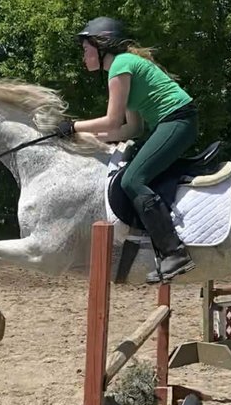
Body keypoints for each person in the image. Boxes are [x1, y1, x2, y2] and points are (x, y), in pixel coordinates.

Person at [57, 17, 198, 283]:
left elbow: (111, 120)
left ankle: (174, 252)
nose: (83, 55)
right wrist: (84, 138)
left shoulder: (119, 66)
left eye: (86, 48)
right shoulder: (124, 66)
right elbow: (130, 128)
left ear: (102, 45)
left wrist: (73, 126)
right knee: (133, 171)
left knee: (133, 179)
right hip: (175, 121)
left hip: (178, 120)